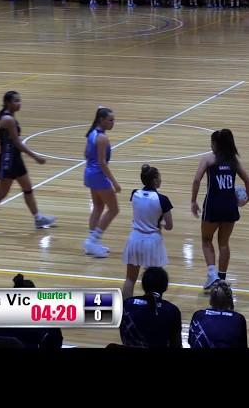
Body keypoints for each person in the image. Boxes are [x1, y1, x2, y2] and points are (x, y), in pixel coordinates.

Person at [0, 91, 55, 236]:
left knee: (28, 188)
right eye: (16, 101)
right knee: (2, 193)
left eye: (20, 100)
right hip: (8, 159)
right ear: (8, 103)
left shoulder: (7, 116)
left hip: (14, 158)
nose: (19, 103)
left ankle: (38, 218)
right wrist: (35, 157)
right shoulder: (8, 119)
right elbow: (17, 142)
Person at [191, 129, 249, 290]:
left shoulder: (208, 159)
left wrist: (193, 201)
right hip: (230, 206)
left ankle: (212, 275)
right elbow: (248, 181)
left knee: (206, 240)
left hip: (213, 205)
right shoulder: (233, 161)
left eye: (212, 142)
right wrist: (247, 198)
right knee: (224, 243)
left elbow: (197, 179)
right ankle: (222, 279)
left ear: (216, 144)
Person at [122, 164, 173, 299]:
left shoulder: (134, 194)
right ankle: (154, 311)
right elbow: (169, 225)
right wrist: (159, 222)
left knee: (130, 279)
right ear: (155, 180)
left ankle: (125, 312)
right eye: (159, 177)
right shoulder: (163, 200)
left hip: (135, 240)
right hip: (152, 243)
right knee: (155, 283)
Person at [83, 107, 121, 257]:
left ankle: (91, 243)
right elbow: (102, 163)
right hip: (99, 175)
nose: (113, 123)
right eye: (110, 120)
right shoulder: (102, 138)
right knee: (114, 209)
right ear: (102, 120)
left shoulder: (91, 133)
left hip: (89, 173)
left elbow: (86, 154)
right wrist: (114, 182)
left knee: (98, 207)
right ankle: (93, 240)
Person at [120, 267, 182, 348]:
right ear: (165, 287)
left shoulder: (127, 304)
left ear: (143, 285)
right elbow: (176, 344)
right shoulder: (171, 310)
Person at [188, 280, 247, 348]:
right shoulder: (238, 319)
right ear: (230, 301)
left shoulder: (198, 315)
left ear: (211, 301)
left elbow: (191, 341)